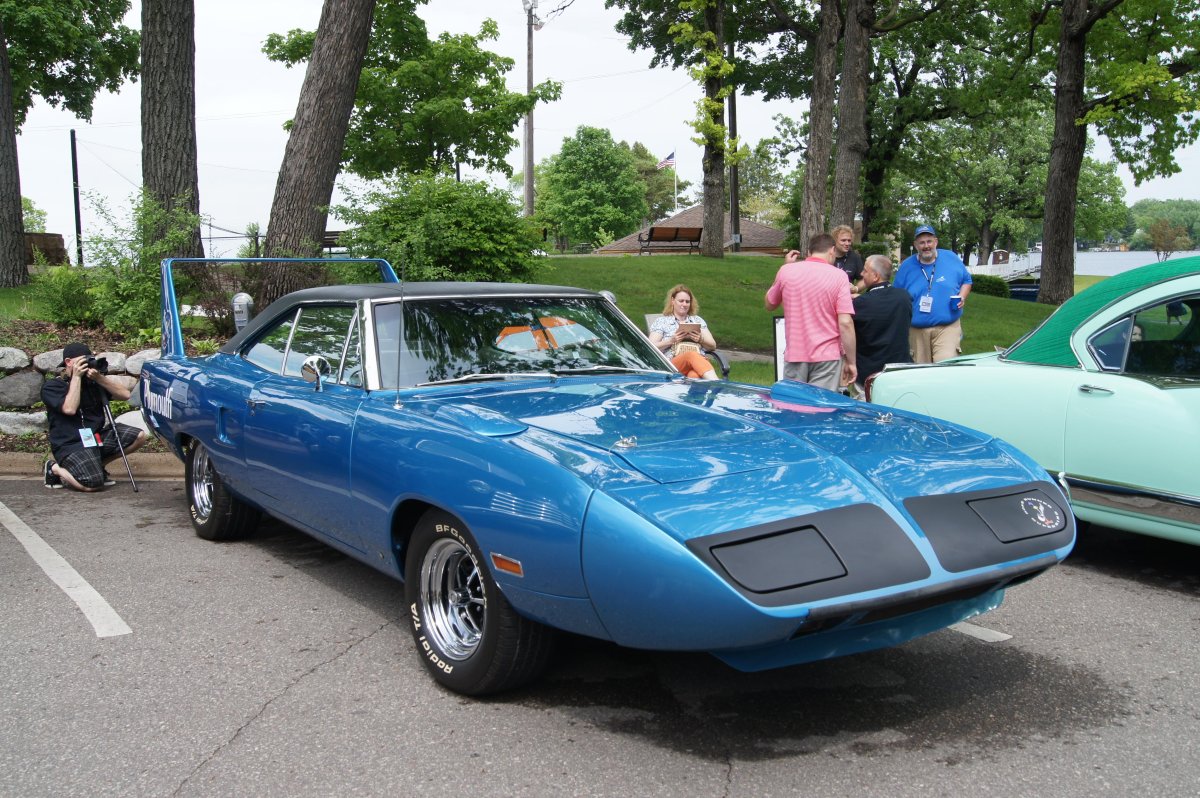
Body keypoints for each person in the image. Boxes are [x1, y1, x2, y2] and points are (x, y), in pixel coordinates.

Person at [42, 342, 146, 491]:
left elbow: (125, 395)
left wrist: (100, 379)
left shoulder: (93, 383)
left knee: (138, 436)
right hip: (70, 445)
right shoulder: (52, 387)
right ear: (68, 362)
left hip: (94, 438)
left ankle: (97, 466)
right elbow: (70, 409)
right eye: (82, 361)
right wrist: (76, 378)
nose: (86, 364)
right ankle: (55, 469)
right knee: (92, 484)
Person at [764, 233, 857, 391]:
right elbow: (845, 322)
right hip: (827, 356)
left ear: (809, 252)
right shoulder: (839, 276)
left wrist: (783, 270)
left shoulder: (787, 271)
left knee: (794, 404)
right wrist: (851, 361)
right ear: (832, 250)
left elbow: (769, 303)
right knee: (820, 404)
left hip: (795, 353)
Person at [894, 224, 973, 363]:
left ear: (935, 242)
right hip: (917, 330)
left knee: (945, 366)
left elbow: (966, 280)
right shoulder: (906, 266)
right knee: (922, 371)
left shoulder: (951, 258)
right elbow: (897, 296)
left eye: (929, 241)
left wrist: (962, 296)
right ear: (916, 245)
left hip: (947, 327)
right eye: (922, 242)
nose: (926, 246)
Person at [851, 255, 912, 393]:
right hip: (900, 370)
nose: (861, 273)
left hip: (869, 375)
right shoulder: (904, 297)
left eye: (865, 270)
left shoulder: (861, 304)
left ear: (875, 276)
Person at [648, 284, 719, 380]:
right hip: (673, 366)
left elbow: (713, 345)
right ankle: (717, 384)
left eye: (687, 301)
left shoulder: (697, 320)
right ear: (673, 301)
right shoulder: (662, 321)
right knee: (691, 355)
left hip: (697, 363)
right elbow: (650, 348)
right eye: (681, 301)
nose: (684, 304)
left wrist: (700, 339)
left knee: (694, 375)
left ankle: (702, 389)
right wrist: (670, 341)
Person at [831, 224, 863, 289]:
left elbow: (864, 279)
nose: (847, 244)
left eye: (849, 240)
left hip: (847, 294)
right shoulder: (826, 256)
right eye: (843, 240)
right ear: (834, 241)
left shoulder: (854, 258)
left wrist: (856, 288)